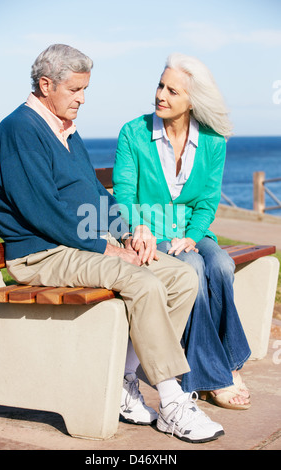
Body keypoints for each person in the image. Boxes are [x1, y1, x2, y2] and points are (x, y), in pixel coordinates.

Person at [0, 44, 225, 443]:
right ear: (46, 85)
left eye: (85, 90)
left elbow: (96, 195)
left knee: (182, 278)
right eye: (75, 90)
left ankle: (125, 381)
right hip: (41, 253)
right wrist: (107, 248)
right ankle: (171, 399)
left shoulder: (64, 128)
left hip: (77, 244)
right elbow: (44, 212)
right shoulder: (20, 131)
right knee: (143, 281)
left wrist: (131, 231)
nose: (82, 99)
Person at [113, 53, 251, 410]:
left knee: (219, 263)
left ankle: (230, 361)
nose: (161, 95)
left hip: (191, 232)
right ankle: (213, 376)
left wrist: (193, 234)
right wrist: (136, 227)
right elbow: (125, 192)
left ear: (193, 100)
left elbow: (207, 201)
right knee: (191, 267)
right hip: (149, 232)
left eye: (173, 91)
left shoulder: (213, 140)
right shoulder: (134, 133)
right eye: (161, 85)